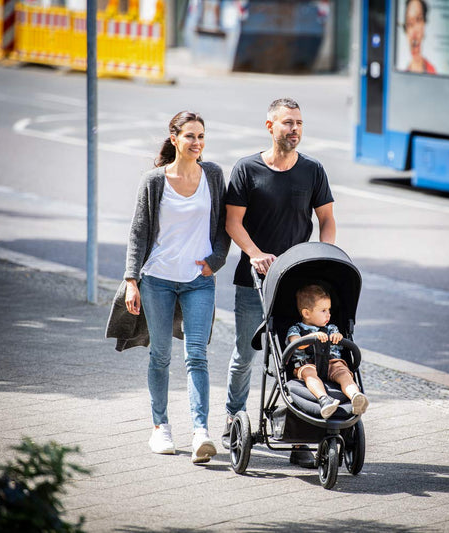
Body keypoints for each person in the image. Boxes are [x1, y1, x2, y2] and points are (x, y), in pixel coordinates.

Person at [106, 111, 230, 464]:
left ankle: (201, 433)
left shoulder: (214, 175)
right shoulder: (153, 180)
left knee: (197, 355)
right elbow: (138, 232)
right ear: (174, 139)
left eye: (201, 136)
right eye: (190, 136)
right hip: (157, 280)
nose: (197, 143)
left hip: (199, 283)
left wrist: (215, 261)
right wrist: (132, 280)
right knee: (160, 355)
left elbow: (224, 226)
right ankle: (160, 428)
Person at [222, 97, 337, 469]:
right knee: (245, 354)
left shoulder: (313, 171)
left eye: (299, 123)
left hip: (296, 284)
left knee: (294, 356)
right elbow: (232, 223)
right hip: (253, 281)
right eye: (287, 123)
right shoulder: (247, 169)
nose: (295, 129)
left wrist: (323, 256)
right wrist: (254, 253)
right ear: (270, 126)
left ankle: (299, 431)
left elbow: (327, 220)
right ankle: (232, 417)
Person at [286, 284, 369, 419]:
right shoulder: (295, 329)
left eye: (329, 310)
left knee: (343, 373)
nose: (328, 314)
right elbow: (295, 344)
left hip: (332, 362)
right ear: (306, 313)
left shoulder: (331, 328)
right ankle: (324, 399)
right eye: (323, 310)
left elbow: (339, 338)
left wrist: (338, 337)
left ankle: (355, 396)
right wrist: (311, 338)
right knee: (309, 374)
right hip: (307, 364)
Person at [403, 0, 436, 74]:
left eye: (418, 20)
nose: (414, 32)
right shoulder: (403, 71)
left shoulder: (433, 71)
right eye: (410, 23)